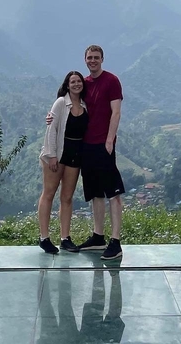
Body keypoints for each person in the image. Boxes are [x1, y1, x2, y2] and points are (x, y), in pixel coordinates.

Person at [48, 45, 125, 260]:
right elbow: (68, 104)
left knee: (113, 194)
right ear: (85, 60)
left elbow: (116, 112)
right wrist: (51, 117)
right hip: (86, 147)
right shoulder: (85, 84)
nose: (93, 61)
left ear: (102, 59)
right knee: (95, 194)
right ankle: (98, 236)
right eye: (89, 58)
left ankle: (116, 242)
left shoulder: (111, 81)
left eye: (96, 57)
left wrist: (110, 140)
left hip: (104, 145)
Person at [38, 70, 88, 255]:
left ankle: (65, 238)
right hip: (57, 156)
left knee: (67, 197)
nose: (76, 84)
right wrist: (51, 156)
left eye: (79, 81)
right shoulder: (60, 103)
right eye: (72, 81)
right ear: (67, 85)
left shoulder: (85, 105)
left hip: (75, 157)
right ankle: (44, 238)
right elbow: (52, 129)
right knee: (49, 194)